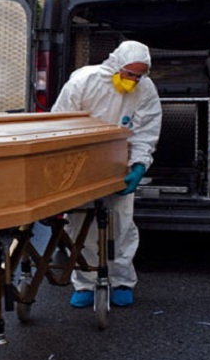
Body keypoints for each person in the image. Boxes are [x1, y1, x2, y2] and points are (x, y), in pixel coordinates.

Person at [51, 40, 162, 308]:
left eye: (139, 76)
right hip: (81, 164)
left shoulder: (145, 89)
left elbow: (145, 130)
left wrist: (138, 165)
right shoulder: (84, 82)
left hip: (118, 164)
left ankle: (122, 280)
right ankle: (85, 283)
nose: (132, 81)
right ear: (115, 65)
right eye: (129, 74)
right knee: (80, 225)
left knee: (121, 224)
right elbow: (60, 123)